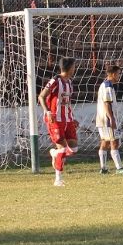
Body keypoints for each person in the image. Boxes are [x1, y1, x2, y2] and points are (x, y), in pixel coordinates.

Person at [38, 57, 78, 187]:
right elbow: (41, 96)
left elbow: (67, 103)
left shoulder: (69, 82)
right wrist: (48, 112)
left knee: (73, 149)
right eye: (74, 66)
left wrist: (72, 117)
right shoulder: (55, 80)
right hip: (55, 119)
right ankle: (58, 179)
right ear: (69, 67)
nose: (75, 68)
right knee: (63, 148)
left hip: (68, 119)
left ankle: (54, 153)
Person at [96, 65, 123, 175]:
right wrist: (111, 119)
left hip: (101, 118)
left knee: (105, 142)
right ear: (114, 74)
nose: (119, 76)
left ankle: (103, 168)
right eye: (119, 74)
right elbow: (107, 103)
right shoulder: (108, 86)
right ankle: (119, 168)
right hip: (107, 119)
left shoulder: (104, 84)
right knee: (114, 142)